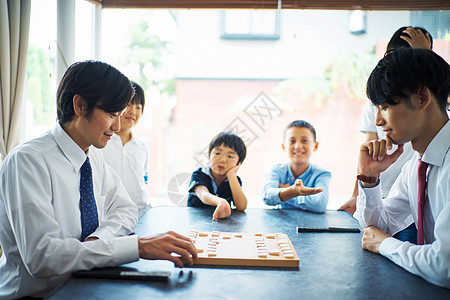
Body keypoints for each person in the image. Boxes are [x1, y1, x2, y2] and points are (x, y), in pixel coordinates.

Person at [0, 61, 197, 299]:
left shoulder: (93, 156)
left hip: (86, 286)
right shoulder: (28, 161)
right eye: (112, 114)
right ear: (80, 105)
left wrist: (96, 242)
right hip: (37, 296)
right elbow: (43, 257)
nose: (116, 126)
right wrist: (138, 247)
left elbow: (125, 209)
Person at [356, 48, 450, 288]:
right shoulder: (416, 166)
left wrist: (386, 244)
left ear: (422, 98)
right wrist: (370, 178)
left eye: (385, 106)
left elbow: (444, 266)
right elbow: (376, 228)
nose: (377, 121)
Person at [339, 27, 433, 243]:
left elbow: (439, 264)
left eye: (387, 107)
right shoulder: (412, 170)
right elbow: (368, 148)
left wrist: (424, 59)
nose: (379, 121)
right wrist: (364, 185)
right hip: (387, 187)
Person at [102, 81, 151, 216]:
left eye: (138, 107)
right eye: (129, 105)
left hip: (140, 213)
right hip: (109, 215)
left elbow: (144, 181)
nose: (133, 112)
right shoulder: (101, 142)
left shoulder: (142, 147)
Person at [261, 120, 331, 213]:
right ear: (283, 146)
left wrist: (286, 192)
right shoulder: (275, 170)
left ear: (315, 145)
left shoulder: (322, 174)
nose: (298, 146)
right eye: (292, 141)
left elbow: (320, 204)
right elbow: (266, 196)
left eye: (304, 140)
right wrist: (293, 191)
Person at [187, 132, 247, 220]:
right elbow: (203, 195)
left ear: (238, 163)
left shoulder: (234, 180)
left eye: (230, 156)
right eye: (217, 153)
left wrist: (231, 175)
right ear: (209, 155)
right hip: (197, 223)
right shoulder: (199, 174)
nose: (222, 160)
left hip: (221, 225)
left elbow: (241, 206)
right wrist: (220, 201)